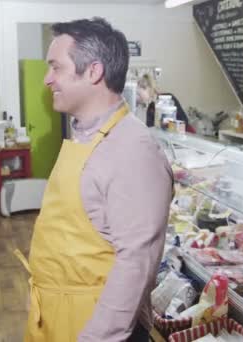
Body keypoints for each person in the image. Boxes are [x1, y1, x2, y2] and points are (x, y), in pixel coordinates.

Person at [14, 18, 173, 341]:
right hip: (60, 319)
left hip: (93, 328)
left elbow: (135, 265)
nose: (47, 79)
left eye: (56, 68)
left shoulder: (132, 150)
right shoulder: (86, 137)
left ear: (93, 71)